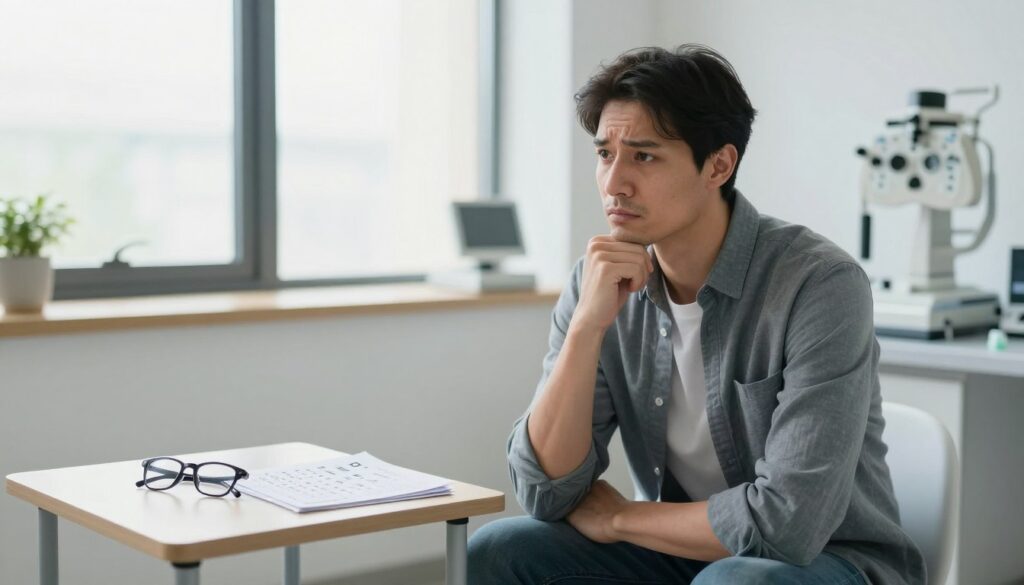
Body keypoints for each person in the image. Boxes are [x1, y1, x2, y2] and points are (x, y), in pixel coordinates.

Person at [467, 45, 926, 584]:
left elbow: (789, 526)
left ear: (719, 165)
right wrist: (588, 328)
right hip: (677, 550)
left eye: (644, 156)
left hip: (827, 560)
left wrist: (619, 517)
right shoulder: (596, 280)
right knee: (498, 548)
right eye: (604, 154)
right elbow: (546, 490)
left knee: (736, 581)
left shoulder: (819, 284)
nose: (614, 183)